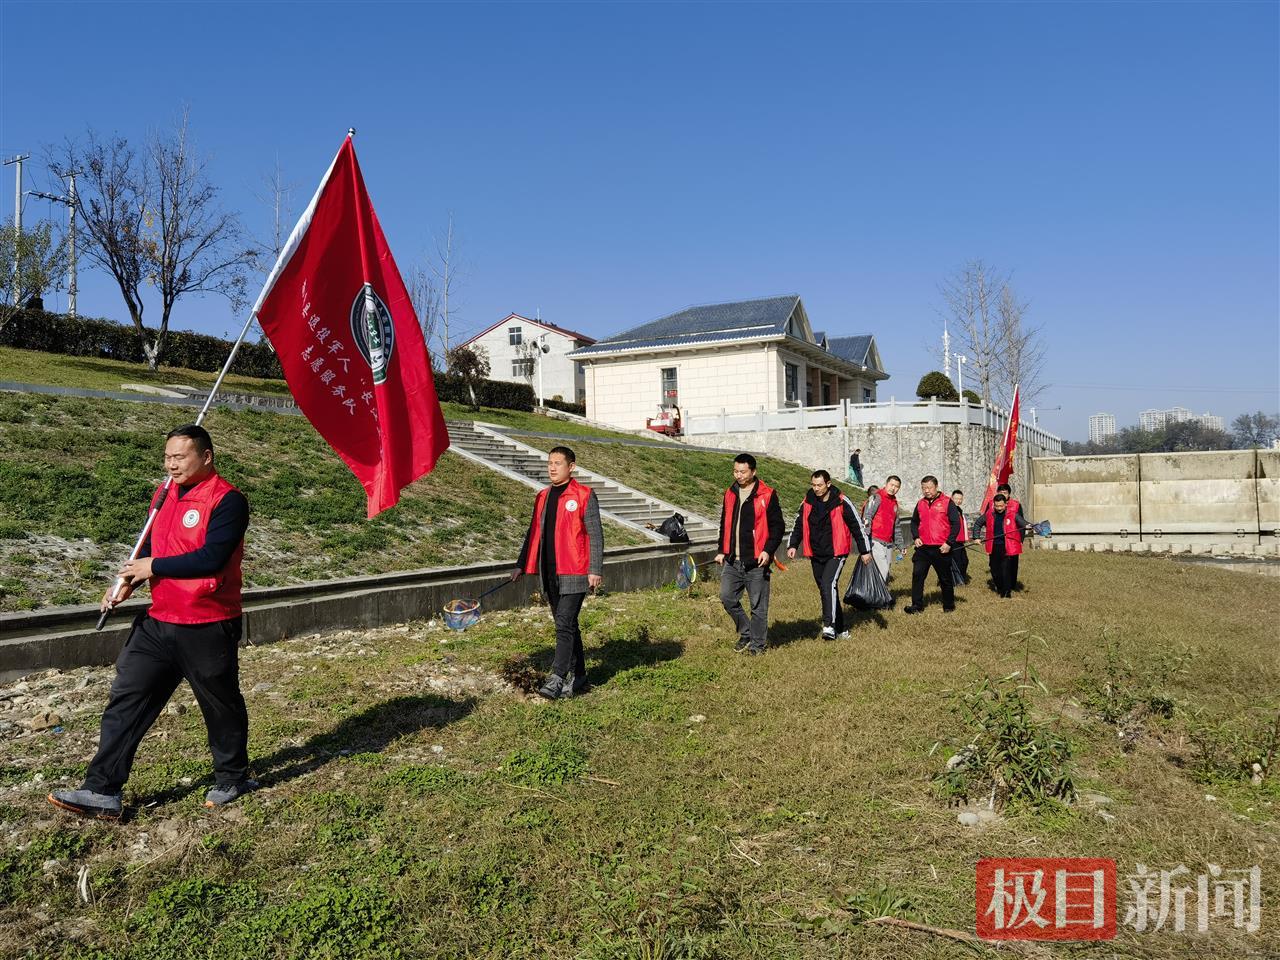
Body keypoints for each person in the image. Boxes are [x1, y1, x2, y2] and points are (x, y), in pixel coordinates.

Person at [49, 425, 253, 819]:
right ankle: (102, 789)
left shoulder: (229, 501)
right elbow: (149, 540)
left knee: (220, 705)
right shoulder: (163, 494)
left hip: (207, 621)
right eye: (167, 457)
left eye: (180, 457)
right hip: (159, 621)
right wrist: (128, 579)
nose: (171, 464)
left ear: (206, 457)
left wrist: (152, 566)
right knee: (127, 698)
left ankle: (232, 777)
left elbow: (211, 558)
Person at [512, 446, 604, 700]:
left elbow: (595, 535)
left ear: (571, 466)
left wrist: (595, 569)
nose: (552, 467)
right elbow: (533, 533)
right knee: (567, 625)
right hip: (549, 572)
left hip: (575, 571)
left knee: (564, 623)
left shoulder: (584, 495)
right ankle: (580, 675)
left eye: (558, 463)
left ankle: (556, 678)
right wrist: (521, 564)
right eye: (549, 463)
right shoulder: (542, 496)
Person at [787, 470, 872, 640]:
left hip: (836, 552)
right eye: (813, 485)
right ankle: (840, 630)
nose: (816, 488)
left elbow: (857, 525)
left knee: (828, 584)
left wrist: (865, 550)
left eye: (819, 485)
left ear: (828, 484)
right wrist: (793, 545)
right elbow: (798, 523)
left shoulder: (841, 501)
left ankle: (829, 626)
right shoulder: (808, 500)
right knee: (827, 590)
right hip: (816, 553)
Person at [715, 453, 784, 655]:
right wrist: (721, 550)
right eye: (736, 471)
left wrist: (768, 550)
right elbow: (724, 523)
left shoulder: (767, 495)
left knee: (758, 607)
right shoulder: (730, 493)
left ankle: (757, 646)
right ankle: (746, 632)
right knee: (727, 598)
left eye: (743, 471)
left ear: (753, 471)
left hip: (757, 562)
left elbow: (778, 527)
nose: (738, 475)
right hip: (732, 560)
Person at [904, 475, 962, 615]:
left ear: (936, 487)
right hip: (923, 548)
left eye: (929, 488)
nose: (927, 491)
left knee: (945, 578)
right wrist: (916, 537)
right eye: (924, 488)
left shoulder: (947, 502)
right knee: (917, 575)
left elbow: (956, 524)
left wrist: (949, 542)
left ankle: (949, 606)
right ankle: (917, 606)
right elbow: (914, 522)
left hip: (941, 548)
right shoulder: (920, 503)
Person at [972, 492, 1027, 597]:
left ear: (1006, 504)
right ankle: (1000, 587)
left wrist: (1028, 526)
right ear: (994, 504)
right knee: (995, 570)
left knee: (1005, 570)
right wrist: (976, 537)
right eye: (997, 506)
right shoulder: (989, 514)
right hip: (993, 546)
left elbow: (1023, 523)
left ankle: (1006, 593)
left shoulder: (1012, 515)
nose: (999, 508)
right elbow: (978, 523)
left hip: (1007, 546)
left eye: (1001, 506)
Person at [862, 475, 902, 583]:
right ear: (886, 484)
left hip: (888, 543)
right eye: (891, 485)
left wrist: (900, 545)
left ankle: (877, 595)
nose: (893, 488)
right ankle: (879, 598)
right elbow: (867, 516)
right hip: (875, 540)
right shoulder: (876, 497)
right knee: (882, 570)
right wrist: (866, 536)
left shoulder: (895, 503)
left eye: (897, 486)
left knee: (886, 570)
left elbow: (896, 525)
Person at [996, 483, 1027, 590]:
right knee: (997, 564)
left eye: (1005, 493)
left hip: (1013, 540)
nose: (1003, 495)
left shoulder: (1016, 505)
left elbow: (1021, 523)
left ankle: (1012, 584)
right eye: (1000, 492)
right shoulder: (992, 504)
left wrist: (1021, 539)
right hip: (998, 540)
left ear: (1009, 494)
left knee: (1013, 564)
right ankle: (1001, 585)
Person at [951, 489, 970, 584]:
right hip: (953, 540)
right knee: (957, 562)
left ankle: (961, 579)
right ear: (952, 498)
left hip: (960, 540)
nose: (958, 501)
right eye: (956, 498)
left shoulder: (959, 510)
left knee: (964, 561)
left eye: (960, 499)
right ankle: (957, 581)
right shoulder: (950, 510)